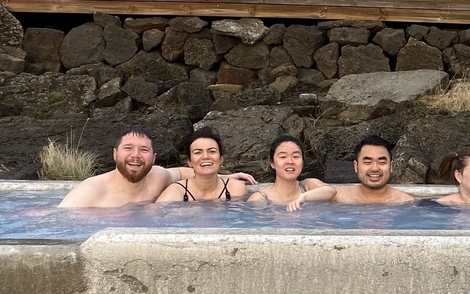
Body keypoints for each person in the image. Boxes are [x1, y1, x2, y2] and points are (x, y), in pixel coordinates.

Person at [59, 127, 256, 209]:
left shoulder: (158, 176)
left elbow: (184, 171)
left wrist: (223, 175)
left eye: (143, 150)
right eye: (128, 148)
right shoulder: (92, 190)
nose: (135, 156)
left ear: (153, 158)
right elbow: (59, 223)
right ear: (115, 154)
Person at [156, 127, 250, 203]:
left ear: (221, 159)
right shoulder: (175, 193)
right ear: (190, 162)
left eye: (212, 151)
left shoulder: (236, 189)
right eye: (198, 152)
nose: (205, 156)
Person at [248, 135, 335, 211]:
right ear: (272, 163)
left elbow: (330, 191)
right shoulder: (260, 198)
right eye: (283, 157)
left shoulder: (307, 185)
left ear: (302, 163)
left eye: (296, 156)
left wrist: (304, 197)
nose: (290, 161)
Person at [332, 135, 415, 205]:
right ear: (356, 166)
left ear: (391, 166)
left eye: (382, 162)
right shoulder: (337, 197)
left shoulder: (405, 203)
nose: (375, 168)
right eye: (368, 162)